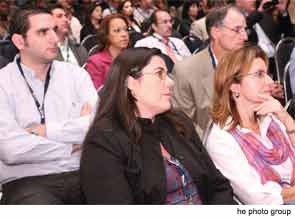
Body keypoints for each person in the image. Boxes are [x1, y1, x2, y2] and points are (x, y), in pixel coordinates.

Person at [80, 47, 236, 204]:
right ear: (132, 84)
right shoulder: (103, 141)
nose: (170, 82)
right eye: (159, 74)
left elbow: (218, 185)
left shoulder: (177, 122)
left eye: (167, 74)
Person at [0, 8, 98, 204]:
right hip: (28, 182)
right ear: (20, 41)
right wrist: (72, 145)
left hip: (85, 174)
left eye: (54, 30)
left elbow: (98, 126)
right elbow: (11, 150)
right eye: (43, 32)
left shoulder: (76, 75)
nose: (55, 38)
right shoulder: (3, 82)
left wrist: (44, 131)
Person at [206, 45, 295, 204]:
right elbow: (259, 199)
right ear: (234, 86)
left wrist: (286, 118)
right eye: (259, 74)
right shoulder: (222, 139)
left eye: (267, 74)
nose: (269, 81)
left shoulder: (270, 116)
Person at [172, 5, 248, 138]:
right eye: (237, 30)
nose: (245, 36)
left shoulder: (249, 63)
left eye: (244, 29)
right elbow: (184, 125)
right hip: (210, 148)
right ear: (215, 32)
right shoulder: (186, 71)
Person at [84, 13, 129, 90]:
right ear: (106, 35)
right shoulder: (95, 62)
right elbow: (97, 95)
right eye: (117, 31)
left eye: (126, 30)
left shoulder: (132, 57)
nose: (124, 34)